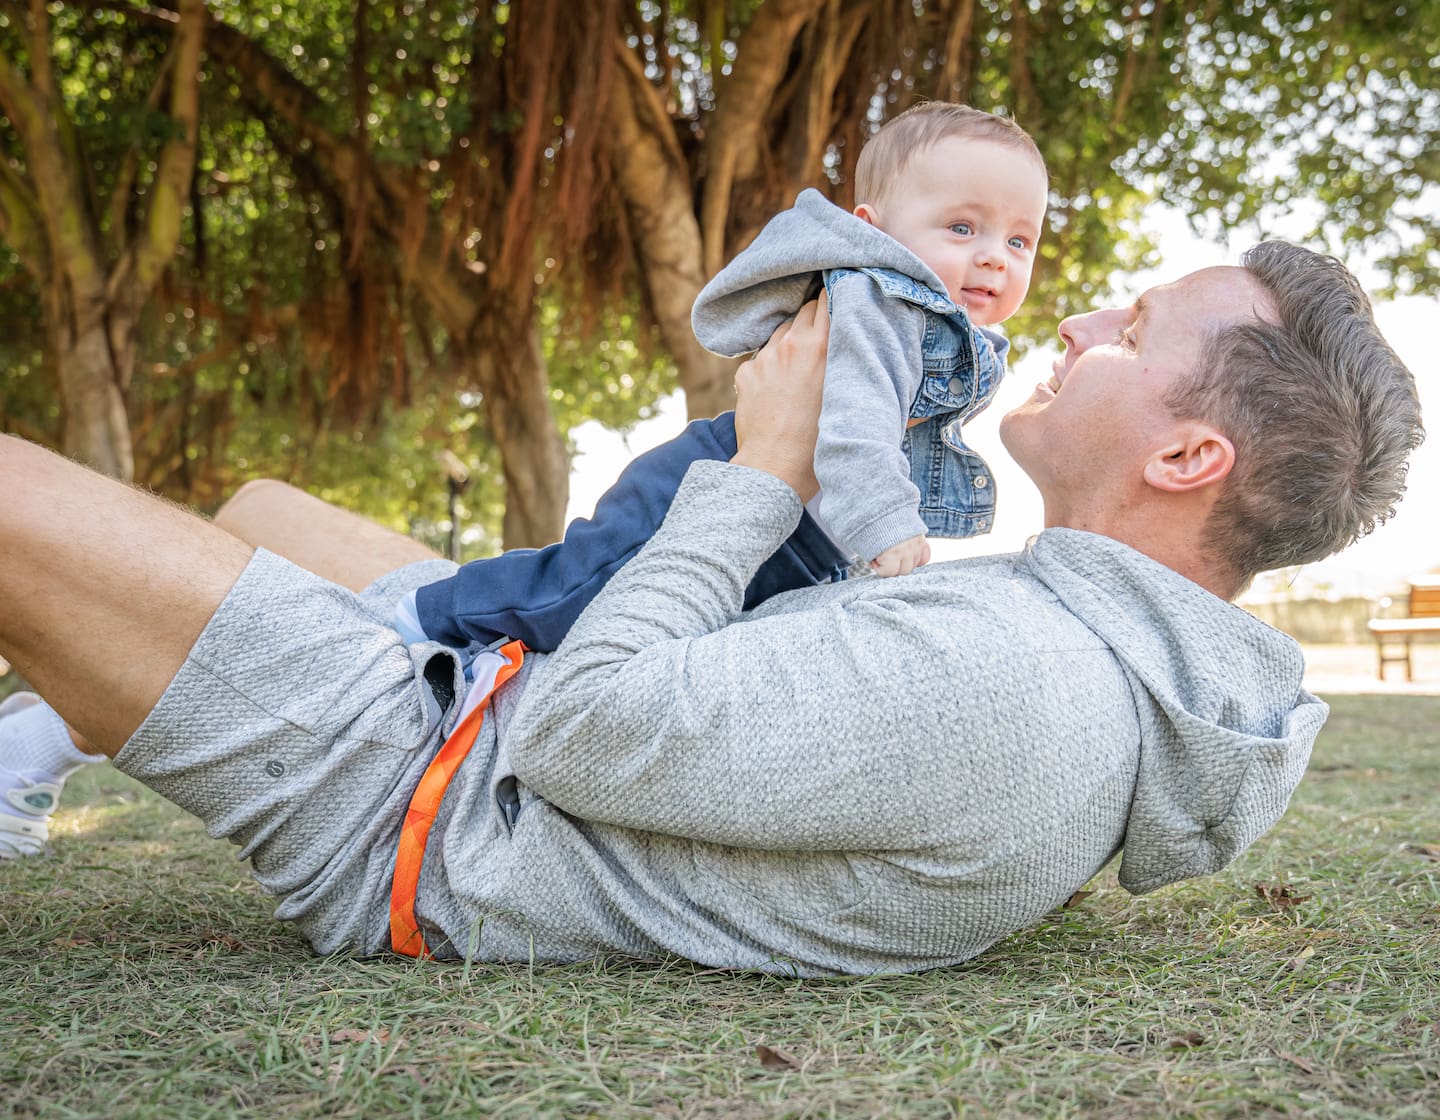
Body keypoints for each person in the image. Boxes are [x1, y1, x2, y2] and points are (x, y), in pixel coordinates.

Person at [0, 243, 1423, 977]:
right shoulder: (1055, 637)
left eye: (1132, 330)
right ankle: (36, 742)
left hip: (411, 798)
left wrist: (765, 471)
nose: (1074, 324)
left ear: (1186, 458)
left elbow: (578, 733)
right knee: (256, 513)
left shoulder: (1021, 685)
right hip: (469, 720)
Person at [402, 102, 1048, 655]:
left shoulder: (959, 338)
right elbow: (857, 422)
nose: (994, 254)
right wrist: (887, 524)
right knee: (574, 592)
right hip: (719, 481)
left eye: (1019, 241)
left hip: (799, 534)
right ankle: (429, 615)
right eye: (962, 227)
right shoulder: (885, 306)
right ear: (872, 231)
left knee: (669, 637)